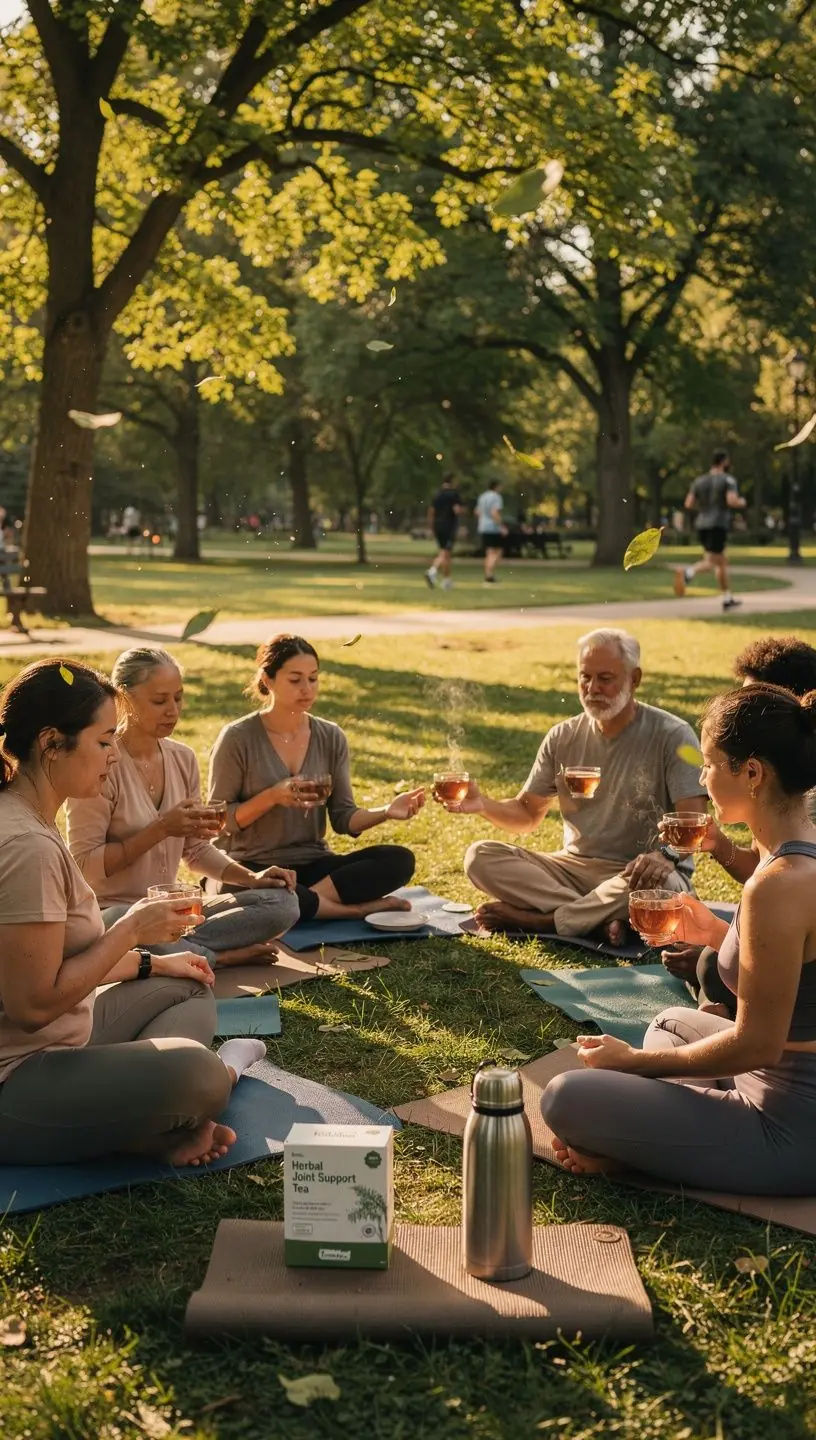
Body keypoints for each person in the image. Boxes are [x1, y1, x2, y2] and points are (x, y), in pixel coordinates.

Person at [541, 682, 816, 1196]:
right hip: (766, 1084)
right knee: (669, 1021)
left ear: (752, 773)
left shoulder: (778, 885)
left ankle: (632, 1155)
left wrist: (632, 1063)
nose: (702, 778)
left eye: (710, 764)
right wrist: (714, 932)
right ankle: (655, 1137)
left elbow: (756, 1045)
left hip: (789, 1130)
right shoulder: (798, 857)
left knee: (564, 1097)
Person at [0, 658, 268, 1169]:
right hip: (16, 1081)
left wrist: (153, 962)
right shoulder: (26, 845)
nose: (113, 756)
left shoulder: (28, 816)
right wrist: (129, 931)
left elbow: (58, 959)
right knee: (200, 1074)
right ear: (52, 743)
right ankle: (191, 1097)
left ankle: (142, 1117)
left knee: (190, 983)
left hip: (61, 1042)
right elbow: (31, 1006)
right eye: (104, 742)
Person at [440, 629, 706, 943]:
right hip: (571, 870)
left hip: (643, 874)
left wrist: (665, 857)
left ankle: (545, 922)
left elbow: (694, 824)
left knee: (662, 893)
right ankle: (596, 920)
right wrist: (482, 804)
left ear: (635, 679)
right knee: (480, 856)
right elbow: (527, 814)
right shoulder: (562, 736)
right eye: (585, 677)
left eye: (605, 678)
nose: (593, 688)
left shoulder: (672, 734)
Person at [66, 648, 299, 968]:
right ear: (124, 699)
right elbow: (85, 866)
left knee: (283, 903)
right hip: (117, 916)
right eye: (160, 701)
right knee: (118, 921)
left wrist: (252, 878)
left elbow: (197, 851)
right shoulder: (100, 763)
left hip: (174, 912)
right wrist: (161, 828)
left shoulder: (183, 758)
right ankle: (219, 957)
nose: (173, 710)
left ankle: (179, 952)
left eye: (179, 698)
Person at [207, 635, 425, 922]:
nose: (307, 689)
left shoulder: (330, 736)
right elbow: (219, 820)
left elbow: (344, 818)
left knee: (398, 860)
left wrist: (387, 812)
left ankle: (299, 904)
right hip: (252, 866)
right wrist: (273, 796)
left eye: (313, 679)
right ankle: (352, 910)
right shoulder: (237, 738)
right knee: (234, 887)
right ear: (268, 680)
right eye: (295, 680)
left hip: (311, 864)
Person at [663, 635, 816, 1015]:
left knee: (708, 968)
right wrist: (717, 844)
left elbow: (758, 1048)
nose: (742, 711)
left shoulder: (793, 800)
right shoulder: (777, 803)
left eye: (754, 703)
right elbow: (764, 866)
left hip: (776, 1061)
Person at [673, 449, 746, 611]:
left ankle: (727, 599)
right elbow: (732, 500)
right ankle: (688, 573)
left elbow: (689, 503)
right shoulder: (728, 479)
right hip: (718, 524)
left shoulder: (699, 481)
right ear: (724, 462)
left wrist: (705, 507)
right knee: (711, 562)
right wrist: (742, 502)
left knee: (721, 562)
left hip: (702, 524)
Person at [425, 474, 463, 590]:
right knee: (445, 553)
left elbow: (431, 511)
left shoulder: (437, 494)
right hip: (449, 526)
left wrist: (431, 527)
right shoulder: (454, 494)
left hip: (438, 525)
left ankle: (446, 581)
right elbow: (456, 510)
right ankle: (432, 571)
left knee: (445, 553)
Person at [474, 479, 506, 584]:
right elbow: (494, 512)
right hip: (493, 528)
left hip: (483, 527)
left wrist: (483, 520)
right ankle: (489, 575)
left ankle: (488, 574)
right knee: (497, 552)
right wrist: (501, 526)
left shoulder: (483, 496)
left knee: (489, 552)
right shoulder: (496, 497)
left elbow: (477, 512)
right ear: (496, 486)